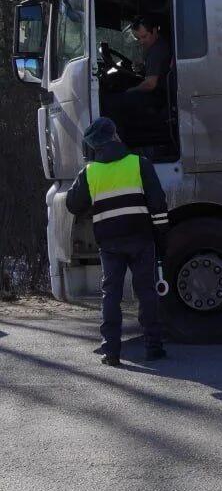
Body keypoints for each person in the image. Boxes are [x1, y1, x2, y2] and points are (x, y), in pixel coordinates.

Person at [65, 117, 170, 366]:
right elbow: (158, 202)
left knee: (111, 295)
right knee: (146, 292)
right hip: (141, 237)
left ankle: (111, 352)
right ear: (115, 136)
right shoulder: (139, 164)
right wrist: (161, 235)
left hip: (110, 242)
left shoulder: (90, 172)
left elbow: (73, 204)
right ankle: (154, 347)